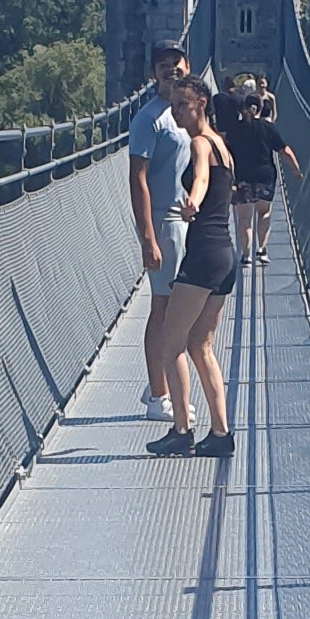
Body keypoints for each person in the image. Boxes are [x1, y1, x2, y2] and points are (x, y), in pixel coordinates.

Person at [148, 79, 239, 460]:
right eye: (172, 106)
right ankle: (220, 433)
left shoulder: (201, 143)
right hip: (225, 256)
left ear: (201, 102)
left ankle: (181, 431)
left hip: (203, 254)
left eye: (181, 105)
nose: (175, 113)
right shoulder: (223, 145)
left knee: (170, 344)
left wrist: (193, 203)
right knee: (200, 345)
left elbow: (200, 177)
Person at [123, 42, 191, 413]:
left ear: (188, 67)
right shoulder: (148, 118)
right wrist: (148, 237)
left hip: (184, 219)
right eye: (163, 65)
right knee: (163, 307)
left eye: (176, 63)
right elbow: (138, 178)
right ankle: (158, 395)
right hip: (163, 221)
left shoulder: (184, 112)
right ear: (154, 74)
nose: (170, 69)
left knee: (178, 307)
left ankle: (164, 388)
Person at [222, 73, 301, 262]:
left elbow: (225, 152)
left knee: (244, 218)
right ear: (259, 108)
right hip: (265, 177)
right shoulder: (267, 127)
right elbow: (284, 151)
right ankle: (261, 251)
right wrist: (295, 169)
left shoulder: (234, 129)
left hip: (242, 177)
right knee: (264, 213)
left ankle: (246, 255)